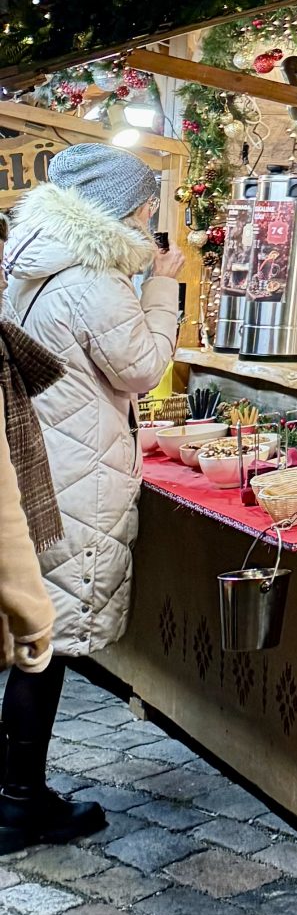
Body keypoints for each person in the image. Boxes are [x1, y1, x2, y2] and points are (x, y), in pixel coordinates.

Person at [1, 145, 182, 847]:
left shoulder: (31, 261)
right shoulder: (93, 279)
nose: (149, 217)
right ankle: (19, 802)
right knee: (48, 643)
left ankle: (14, 788)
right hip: (76, 472)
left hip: (37, 460)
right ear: (119, 209)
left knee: (35, 631)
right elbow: (142, 367)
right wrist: (162, 287)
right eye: (145, 205)